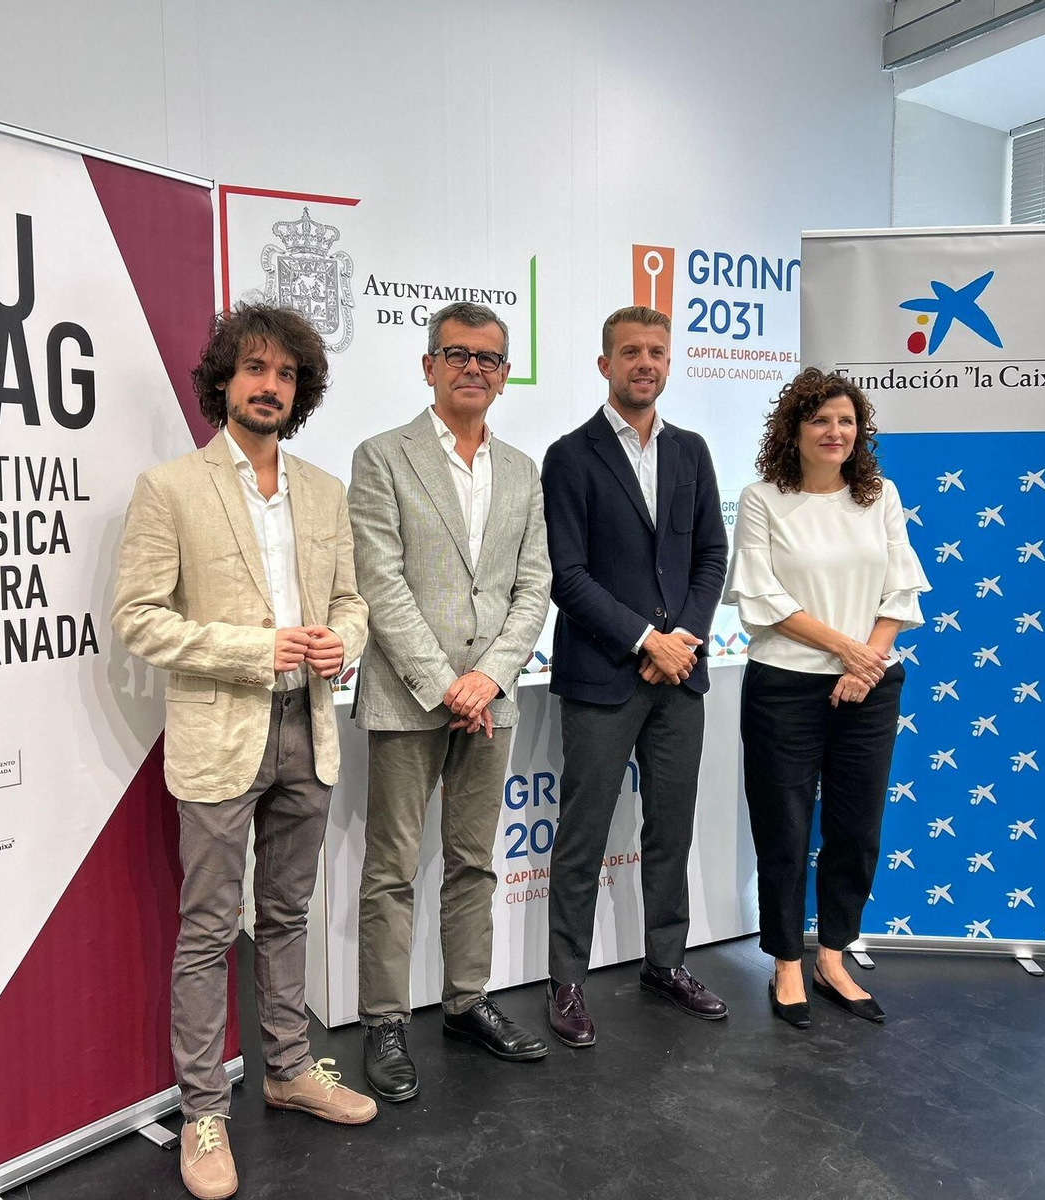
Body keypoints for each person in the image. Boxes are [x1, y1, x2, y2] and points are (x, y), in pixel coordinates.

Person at [112, 303, 374, 1200]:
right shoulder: (171, 488)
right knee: (210, 928)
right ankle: (202, 1110)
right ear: (222, 381)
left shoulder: (326, 490)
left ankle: (291, 1069)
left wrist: (344, 641)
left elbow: (351, 601)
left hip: (310, 730)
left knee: (288, 915)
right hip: (221, 735)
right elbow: (137, 620)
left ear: (301, 391)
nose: (271, 386)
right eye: (254, 370)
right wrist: (251, 649)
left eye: (288, 374)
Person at [349, 301, 553, 1102]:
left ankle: (467, 1000)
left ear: (505, 378)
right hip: (408, 698)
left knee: (474, 862)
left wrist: (490, 678)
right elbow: (380, 581)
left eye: (490, 358)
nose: (474, 367)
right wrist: (445, 683)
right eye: (458, 354)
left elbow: (532, 587)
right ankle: (383, 1023)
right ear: (428, 365)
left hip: (491, 699)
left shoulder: (525, 471)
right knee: (391, 869)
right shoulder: (381, 458)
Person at [540, 305, 730, 1049]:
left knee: (670, 831)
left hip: (680, 680)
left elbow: (712, 555)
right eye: (630, 352)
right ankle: (566, 982)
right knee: (583, 835)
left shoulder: (692, 451)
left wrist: (682, 639)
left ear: (668, 362)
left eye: (656, 351)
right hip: (604, 676)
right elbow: (567, 575)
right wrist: (647, 639)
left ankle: (666, 964)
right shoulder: (570, 455)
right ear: (605, 365)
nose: (645, 363)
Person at [724, 367, 930, 1030]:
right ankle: (787, 960)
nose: (835, 431)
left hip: (869, 686)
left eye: (846, 420)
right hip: (786, 684)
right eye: (821, 421)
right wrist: (848, 652)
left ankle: (833, 955)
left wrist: (866, 665)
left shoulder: (881, 497)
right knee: (783, 827)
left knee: (856, 828)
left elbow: (901, 590)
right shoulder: (763, 499)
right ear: (795, 430)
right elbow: (762, 597)